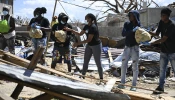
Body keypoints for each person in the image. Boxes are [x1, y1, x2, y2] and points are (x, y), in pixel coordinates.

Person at [142, 8, 175, 94]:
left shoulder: (172, 25)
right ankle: (161, 87)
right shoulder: (161, 22)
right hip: (163, 50)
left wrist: (152, 43)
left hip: (172, 51)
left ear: (167, 16)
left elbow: (164, 39)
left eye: (163, 15)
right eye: (161, 15)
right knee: (162, 70)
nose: (162, 17)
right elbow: (157, 34)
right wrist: (147, 32)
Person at [64, 13, 103, 80]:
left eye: (87, 18)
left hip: (96, 45)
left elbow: (89, 39)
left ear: (90, 19)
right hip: (89, 45)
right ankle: (83, 76)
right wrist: (70, 30)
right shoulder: (86, 26)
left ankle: (101, 78)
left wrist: (78, 43)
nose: (86, 19)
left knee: (98, 62)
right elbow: (80, 34)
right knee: (86, 61)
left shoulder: (93, 27)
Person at [117, 10, 141, 91]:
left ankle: (134, 85)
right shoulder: (127, 24)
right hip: (127, 47)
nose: (130, 17)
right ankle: (122, 83)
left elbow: (141, 36)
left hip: (135, 47)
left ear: (135, 16)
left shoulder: (139, 25)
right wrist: (132, 31)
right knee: (123, 65)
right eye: (129, 15)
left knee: (135, 67)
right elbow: (123, 33)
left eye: (131, 15)